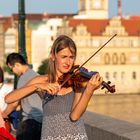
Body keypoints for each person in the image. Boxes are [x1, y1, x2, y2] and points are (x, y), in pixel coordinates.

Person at [5, 35, 103, 139]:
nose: (68, 62)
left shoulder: (77, 82)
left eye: (71, 57)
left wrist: (89, 91)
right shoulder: (42, 81)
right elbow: (9, 99)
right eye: (64, 57)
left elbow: (75, 116)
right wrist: (37, 86)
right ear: (53, 55)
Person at [6, 53, 43, 140]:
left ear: (17, 65)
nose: (13, 72)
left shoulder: (23, 78)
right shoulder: (35, 75)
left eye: (11, 69)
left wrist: (4, 114)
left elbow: (14, 102)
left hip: (30, 122)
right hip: (40, 120)